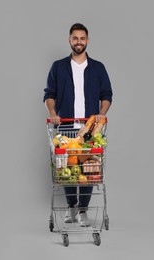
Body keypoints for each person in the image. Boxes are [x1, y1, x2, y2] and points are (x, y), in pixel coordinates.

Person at [43, 23, 113, 226]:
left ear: (87, 41)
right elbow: (49, 94)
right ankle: (71, 206)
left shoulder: (98, 68)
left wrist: (101, 114)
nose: (79, 42)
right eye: (75, 38)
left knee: (89, 170)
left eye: (82, 38)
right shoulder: (58, 67)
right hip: (65, 127)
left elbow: (106, 94)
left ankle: (83, 209)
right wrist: (53, 113)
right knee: (67, 167)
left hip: (89, 129)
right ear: (69, 40)